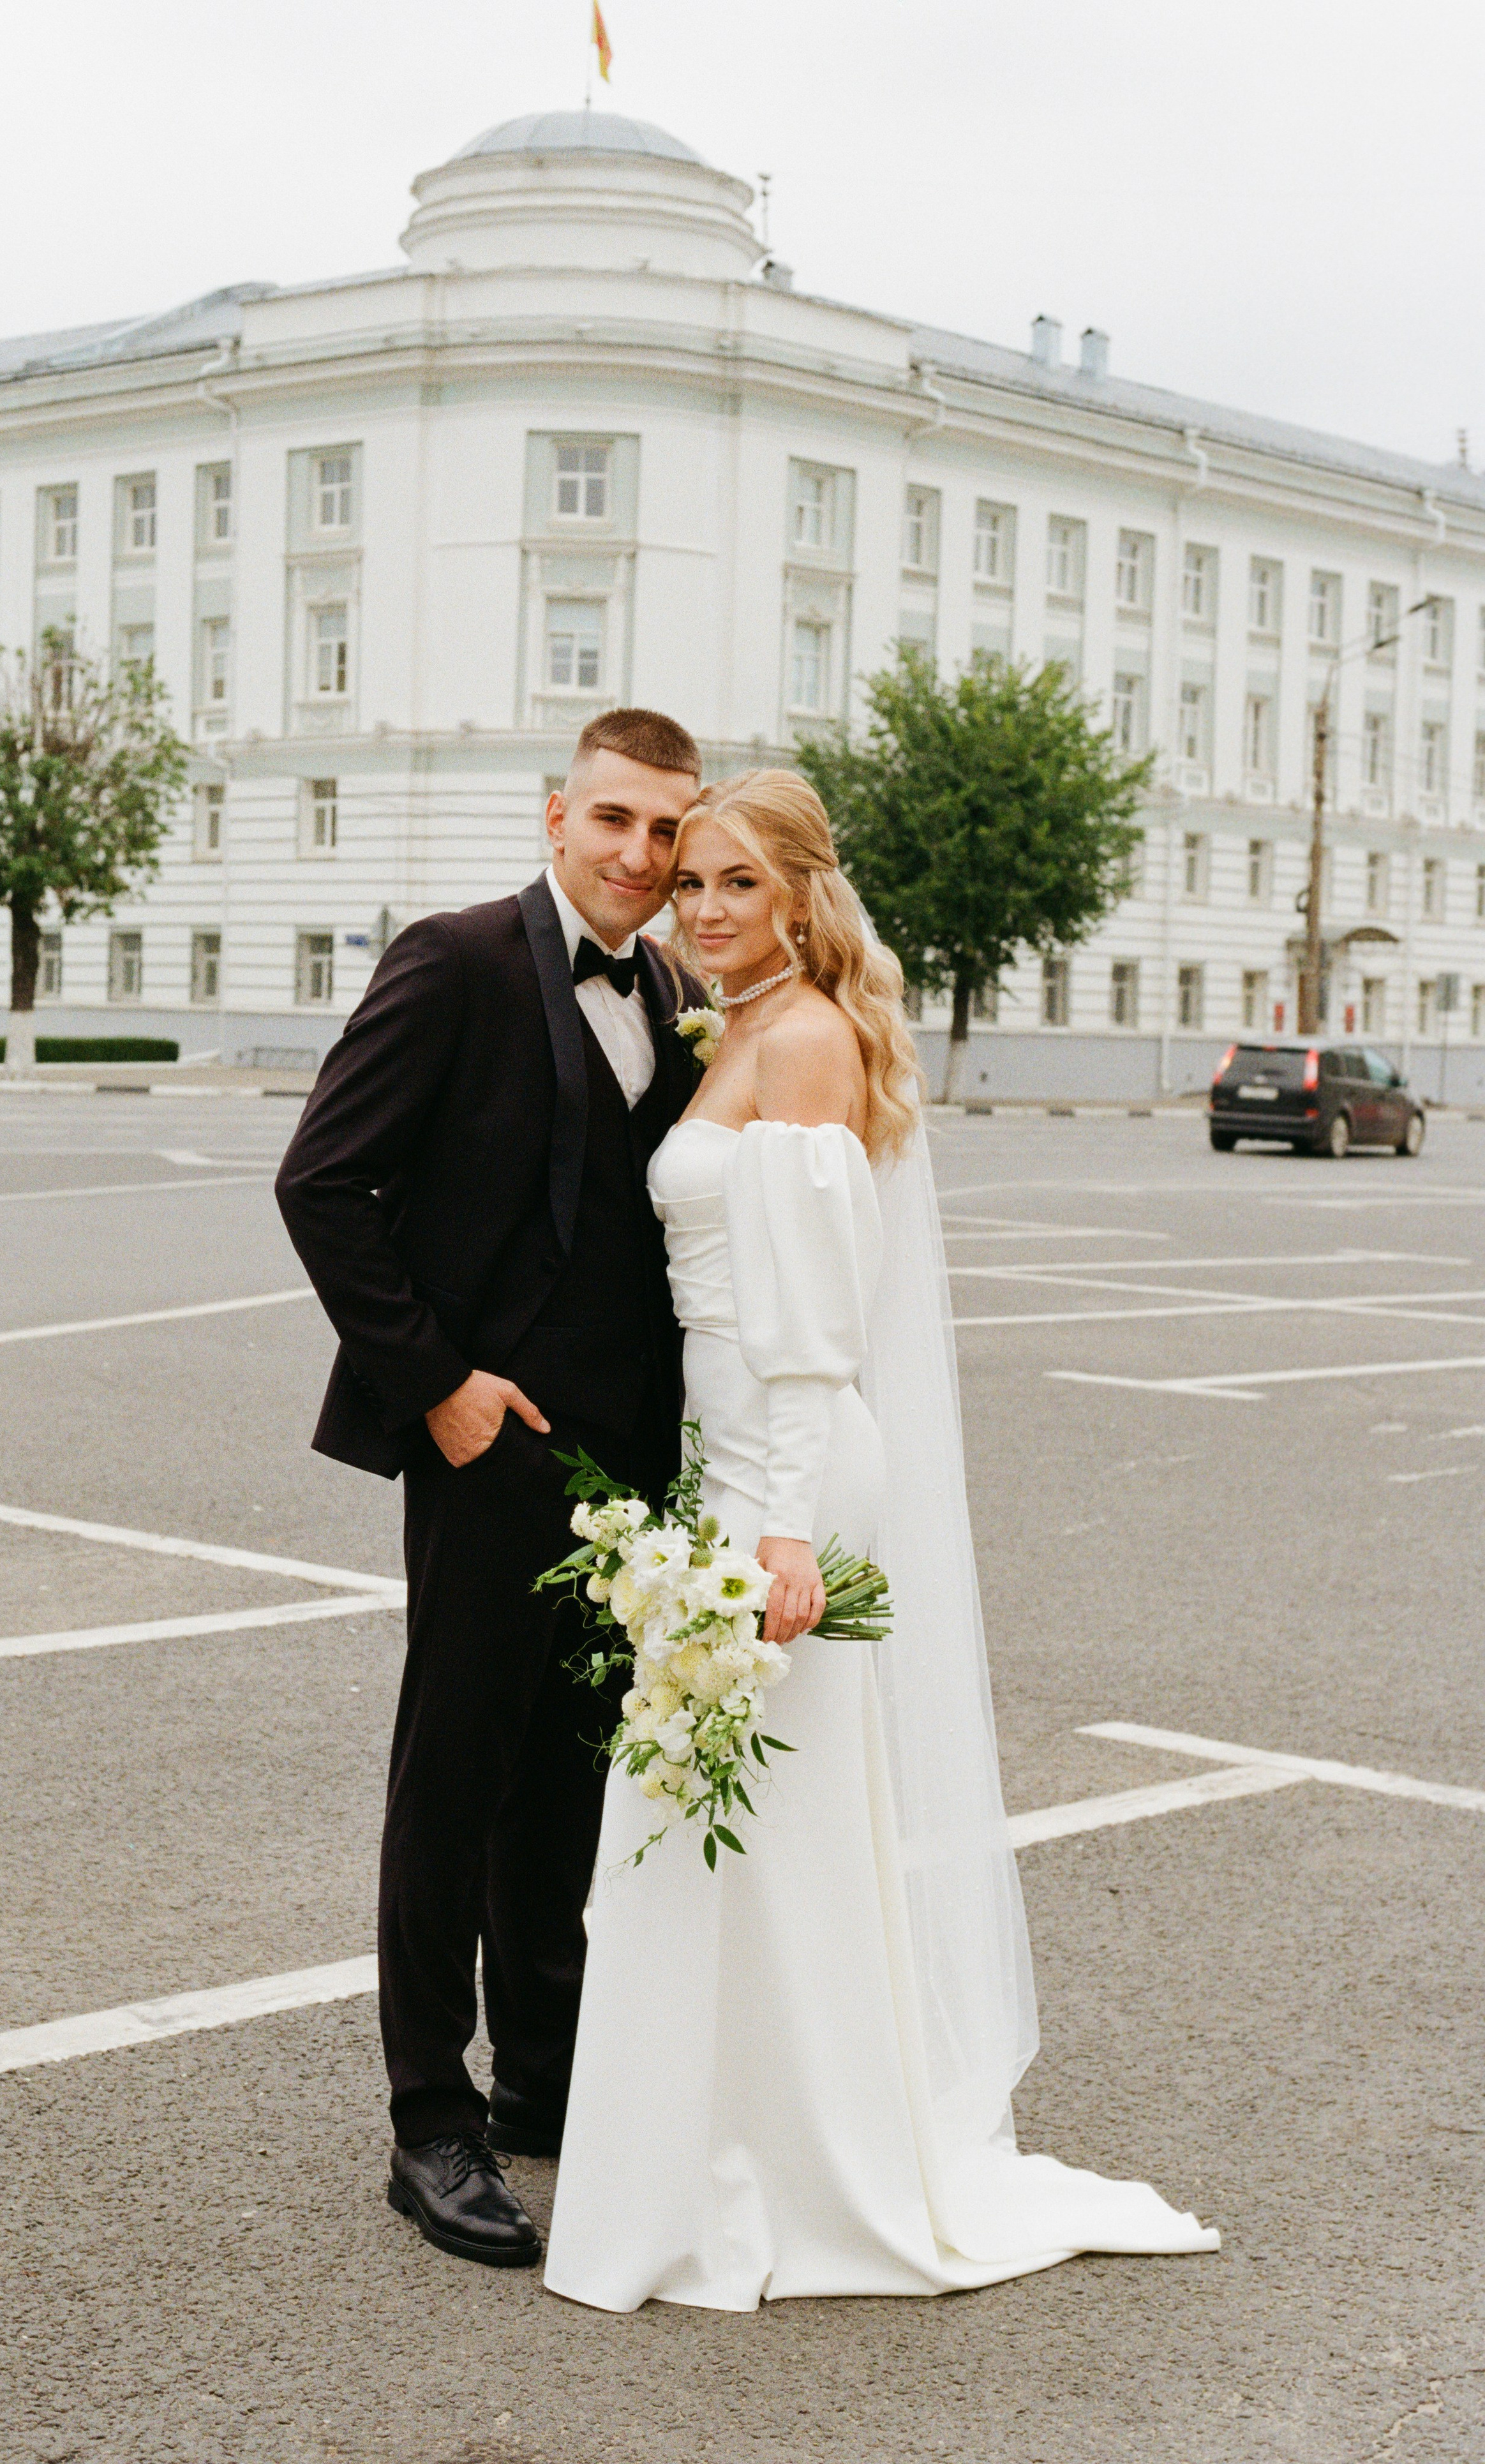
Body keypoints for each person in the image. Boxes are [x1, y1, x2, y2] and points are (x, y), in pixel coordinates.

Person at [543, 769, 1219, 2310]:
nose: (702, 906)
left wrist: (780, 1534)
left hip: (780, 1476)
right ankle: (721, 2153)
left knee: (721, 1820)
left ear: (800, 893)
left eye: (736, 881)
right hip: (728, 1463)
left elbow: (814, 1334)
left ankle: (785, 2168)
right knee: (723, 1829)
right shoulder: (744, 1024)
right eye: (690, 882)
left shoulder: (802, 1041)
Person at [274, 707, 705, 2269]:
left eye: (666, 829)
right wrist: (439, 1385)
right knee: (452, 1778)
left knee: (567, 1777)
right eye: (614, 818)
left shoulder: (674, 988)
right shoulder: (452, 960)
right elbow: (322, 1179)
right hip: (489, 1446)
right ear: (555, 813)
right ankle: (429, 2121)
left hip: (627, 1466)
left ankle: (539, 2069)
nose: (639, 854)